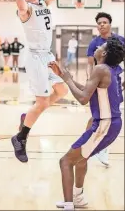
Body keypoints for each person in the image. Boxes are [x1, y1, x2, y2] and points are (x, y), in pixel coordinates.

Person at [49, 37, 124, 211]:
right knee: (81, 159)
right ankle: (78, 198)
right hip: (110, 124)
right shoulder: (109, 69)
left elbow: (83, 99)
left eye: (101, 46)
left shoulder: (100, 69)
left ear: (103, 53)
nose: (97, 46)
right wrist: (63, 75)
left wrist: (67, 80)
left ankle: (69, 205)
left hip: (104, 125)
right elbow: (87, 90)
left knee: (66, 161)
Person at [9, 0, 68, 163]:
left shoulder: (43, 3)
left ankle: (29, 116)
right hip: (34, 58)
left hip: (48, 55)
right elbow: (20, 4)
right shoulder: (25, 10)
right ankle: (20, 138)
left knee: (62, 91)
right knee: (42, 102)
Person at [86, 12, 124, 166]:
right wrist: (90, 80)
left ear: (110, 24)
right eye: (99, 23)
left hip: (115, 80)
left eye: (104, 22)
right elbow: (90, 63)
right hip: (99, 81)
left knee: (109, 114)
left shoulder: (120, 40)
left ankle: (99, 146)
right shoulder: (94, 43)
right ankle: (95, 144)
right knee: (99, 115)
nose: (101, 25)